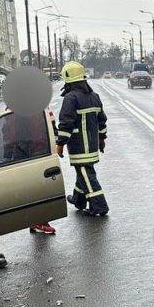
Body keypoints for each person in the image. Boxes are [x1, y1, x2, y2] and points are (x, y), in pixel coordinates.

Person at [56, 61, 109, 216]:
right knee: (83, 173)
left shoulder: (71, 98)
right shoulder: (94, 96)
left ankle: (100, 207)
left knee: (87, 175)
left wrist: (60, 144)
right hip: (91, 145)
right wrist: (102, 139)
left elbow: (66, 124)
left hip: (79, 147)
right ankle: (79, 200)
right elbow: (102, 122)